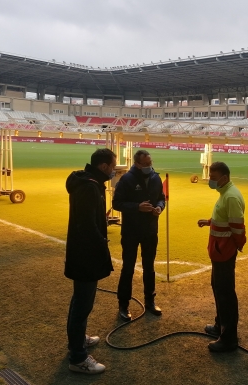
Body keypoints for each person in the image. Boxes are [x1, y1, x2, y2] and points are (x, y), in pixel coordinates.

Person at [64, 148, 117, 374]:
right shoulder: (89, 187)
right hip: (85, 255)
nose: (114, 171)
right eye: (113, 167)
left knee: (80, 302)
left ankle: (77, 342)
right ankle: (78, 358)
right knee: (82, 305)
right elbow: (87, 226)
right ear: (104, 166)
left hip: (82, 253)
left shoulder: (88, 182)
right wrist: (102, 245)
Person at [197, 161, 246, 352]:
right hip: (219, 252)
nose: (210, 181)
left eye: (214, 178)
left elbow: (237, 228)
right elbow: (223, 217)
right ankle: (220, 326)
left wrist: (236, 245)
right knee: (219, 289)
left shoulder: (231, 197)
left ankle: (228, 339)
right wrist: (209, 222)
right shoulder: (225, 193)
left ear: (224, 178)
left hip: (224, 253)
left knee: (225, 294)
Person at [113, 150, 165, 321]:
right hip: (131, 232)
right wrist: (136, 207)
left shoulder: (156, 178)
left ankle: (150, 301)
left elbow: (162, 198)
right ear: (137, 163)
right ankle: (123, 305)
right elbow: (116, 203)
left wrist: (159, 207)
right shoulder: (126, 180)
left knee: (149, 267)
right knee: (128, 268)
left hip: (150, 231)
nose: (149, 166)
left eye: (150, 162)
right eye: (145, 163)